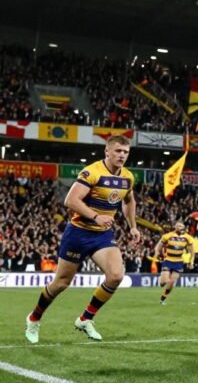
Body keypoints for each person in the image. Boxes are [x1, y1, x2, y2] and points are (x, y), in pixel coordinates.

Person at [24, 135, 141, 343]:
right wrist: (96, 216)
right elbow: (71, 200)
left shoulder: (128, 177)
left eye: (125, 152)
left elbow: (129, 201)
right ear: (107, 151)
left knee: (116, 275)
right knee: (61, 283)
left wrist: (133, 226)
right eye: (118, 151)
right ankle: (34, 318)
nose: (122, 155)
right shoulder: (92, 172)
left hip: (102, 235)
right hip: (79, 233)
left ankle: (85, 319)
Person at [154, 221, 195, 305]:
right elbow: (158, 246)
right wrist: (157, 253)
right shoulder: (167, 236)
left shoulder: (188, 238)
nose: (180, 227)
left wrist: (191, 262)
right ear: (175, 227)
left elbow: (192, 252)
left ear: (183, 228)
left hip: (178, 262)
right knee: (164, 282)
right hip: (168, 260)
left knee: (172, 282)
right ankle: (161, 281)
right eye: (178, 226)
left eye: (181, 226)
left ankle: (163, 298)